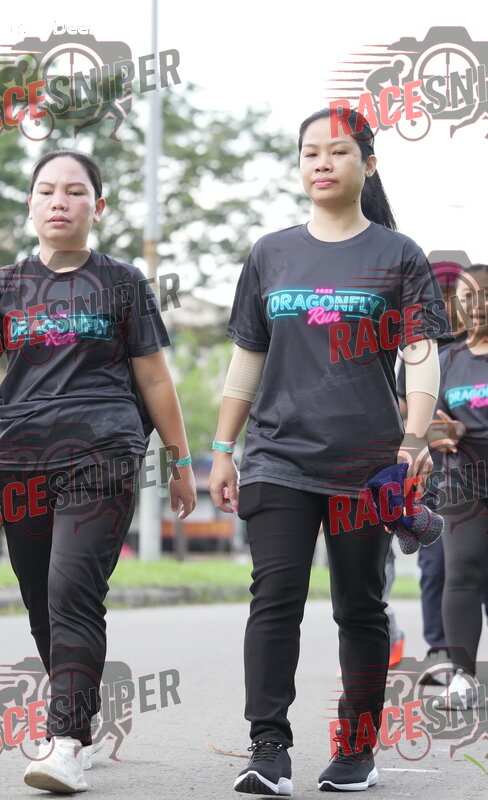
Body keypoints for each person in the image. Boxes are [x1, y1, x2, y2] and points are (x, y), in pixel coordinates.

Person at [208, 107, 453, 795]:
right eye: (310, 151)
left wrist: (413, 438)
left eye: (338, 151)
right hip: (277, 456)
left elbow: (420, 354)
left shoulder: (397, 254)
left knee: (360, 606)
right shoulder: (271, 253)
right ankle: (268, 749)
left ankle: (356, 749)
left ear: (367, 165)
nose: (322, 162)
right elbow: (248, 357)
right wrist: (223, 447)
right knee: (274, 598)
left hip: (366, 463)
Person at [0, 150, 196, 794]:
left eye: (75, 191)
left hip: (103, 451)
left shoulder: (123, 282)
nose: (60, 201)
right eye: (47, 190)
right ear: (30, 203)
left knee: (72, 587)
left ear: (96, 207)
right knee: (41, 598)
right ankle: (76, 716)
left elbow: (154, 378)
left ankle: (67, 742)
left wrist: (180, 460)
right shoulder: (5, 284)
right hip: (20, 458)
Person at [428, 265, 488, 708]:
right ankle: (463, 679)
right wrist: (437, 433)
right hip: (462, 482)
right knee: (461, 573)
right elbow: (424, 422)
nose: (477, 305)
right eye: (467, 298)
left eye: (485, 294)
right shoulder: (446, 359)